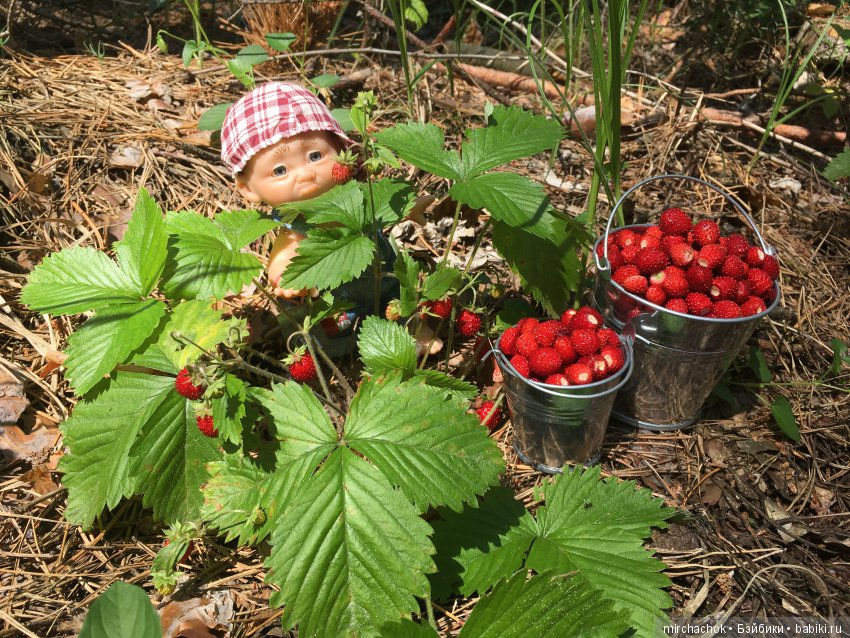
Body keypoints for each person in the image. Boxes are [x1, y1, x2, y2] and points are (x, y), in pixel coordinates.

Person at [220, 82, 441, 353]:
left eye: (315, 156)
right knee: (343, 329)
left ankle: (415, 329)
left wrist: (409, 206)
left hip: (384, 275)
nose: (305, 174)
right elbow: (285, 251)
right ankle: (362, 351)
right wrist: (286, 278)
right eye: (280, 171)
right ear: (248, 189)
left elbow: (383, 206)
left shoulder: (355, 193)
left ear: (339, 149)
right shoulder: (296, 223)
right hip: (338, 295)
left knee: (400, 299)